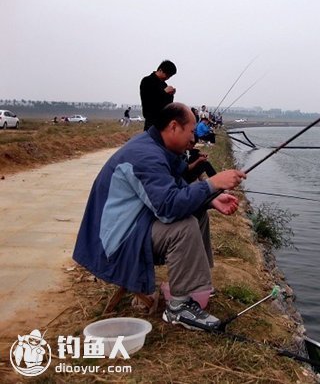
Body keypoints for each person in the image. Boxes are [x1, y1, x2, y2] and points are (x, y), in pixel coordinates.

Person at [73, 103, 246, 330]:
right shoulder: (145, 155)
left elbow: (172, 186)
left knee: (197, 212)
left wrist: (210, 199)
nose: (194, 138)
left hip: (134, 224)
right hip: (115, 243)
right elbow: (168, 206)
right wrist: (212, 184)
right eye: (191, 131)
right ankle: (178, 308)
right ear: (174, 127)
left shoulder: (155, 146)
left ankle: (196, 285)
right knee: (184, 226)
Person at [140, 60, 177, 131]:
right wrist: (164, 92)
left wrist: (170, 95)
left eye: (170, 76)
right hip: (151, 121)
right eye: (167, 75)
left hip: (162, 121)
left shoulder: (164, 85)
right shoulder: (147, 81)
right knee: (151, 141)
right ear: (160, 70)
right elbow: (149, 101)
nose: (167, 78)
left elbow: (167, 105)